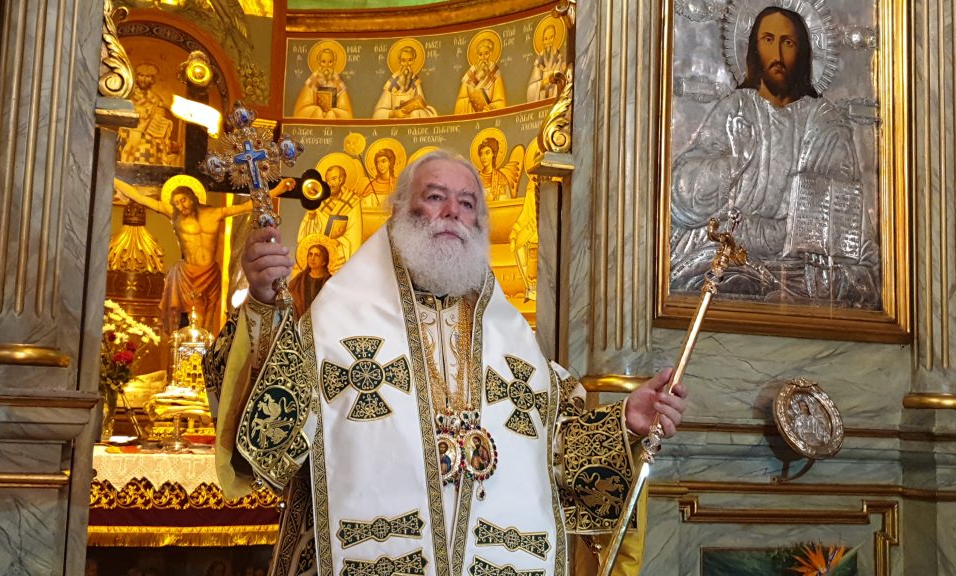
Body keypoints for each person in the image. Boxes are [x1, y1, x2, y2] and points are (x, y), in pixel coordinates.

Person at [205, 150, 689, 573]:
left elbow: (556, 454)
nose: (453, 212)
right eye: (435, 197)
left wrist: (624, 423)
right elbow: (266, 445)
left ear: (480, 224)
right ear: (399, 210)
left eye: (468, 203)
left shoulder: (511, 339)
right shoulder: (336, 323)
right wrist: (263, 307)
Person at [669, 6, 878, 307]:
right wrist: (734, 164)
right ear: (754, 49)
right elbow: (682, 200)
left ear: (803, 52)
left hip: (796, 269)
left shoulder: (826, 125)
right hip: (731, 254)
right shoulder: (736, 109)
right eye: (768, 40)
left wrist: (759, 231)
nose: (777, 54)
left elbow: (834, 226)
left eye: (788, 43)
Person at [114, 177, 295, 336]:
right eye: (176, 203)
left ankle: (202, 357)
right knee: (190, 319)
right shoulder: (174, 215)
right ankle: (185, 354)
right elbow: (139, 197)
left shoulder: (215, 214)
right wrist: (112, 178)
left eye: (183, 200)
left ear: (193, 197)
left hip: (210, 274)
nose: (181, 206)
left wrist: (278, 189)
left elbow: (248, 205)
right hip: (187, 275)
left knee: (207, 321)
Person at [120, 62, 182, 166]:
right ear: (136, 77)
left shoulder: (156, 101)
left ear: (153, 79)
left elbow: (158, 126)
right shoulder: (127, 97)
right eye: (141, 75)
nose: (144, 79)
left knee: (148, 154)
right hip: (126, 136)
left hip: (147, 140)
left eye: (148, 76)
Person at [296, 163, 361, 262]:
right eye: (327, 180)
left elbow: (354, 235)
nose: (330, 184)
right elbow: (305, 235)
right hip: (318, 256)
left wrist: (338, 242)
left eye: (334, 179)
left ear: (341, 180)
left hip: (341, 255)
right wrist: (312, 217)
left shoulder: (352, 201)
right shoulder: (318, 200)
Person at [373, 41, 437, 119]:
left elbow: (422, 105)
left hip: (412, 121)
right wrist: (394, 113)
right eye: (403, 61)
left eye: (409, 60)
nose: (407, 64)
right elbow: (378, 114)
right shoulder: (392, 83)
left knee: (416, 113)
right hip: (396, 122)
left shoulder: (415, 81)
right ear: (399, 62)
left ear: (413, 61)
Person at [293, 43, 353, 119]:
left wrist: (331, 113)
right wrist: (318, 111)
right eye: (323, 62)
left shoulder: (338, 82)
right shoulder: (313, 80)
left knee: (331, 114)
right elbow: (303, 107)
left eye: (330, 62)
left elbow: (346, 111)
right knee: (317, 111)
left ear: (334, 63)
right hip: (316, 116)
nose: (327, 65)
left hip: (332, 117)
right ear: (319, 62)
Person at [455, 36, 507, 114]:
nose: (483, 58)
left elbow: (500, 102)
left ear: (491, 53)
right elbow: (461, 100)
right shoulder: (471, 73)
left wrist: (490, 108)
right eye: (480, 54)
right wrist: (477, 78)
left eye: (486, 53)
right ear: (477, 55)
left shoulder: (495, 73)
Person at [287, 243, 332, 318]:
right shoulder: (299, 280)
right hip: (300, 320)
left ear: (324, 261)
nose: (312, 258)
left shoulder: (330, 282)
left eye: (317, 255)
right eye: (310, 254)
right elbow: (290, 299)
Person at [527, 22, 566, 102]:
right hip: (542, 97)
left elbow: (564, 81)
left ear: (555, 38)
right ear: (543, 41)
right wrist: (543, 83)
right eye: (546, 39)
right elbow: (531, 88)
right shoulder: (539, 61)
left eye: (551, 37)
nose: (548, 42)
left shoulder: (559, 59)